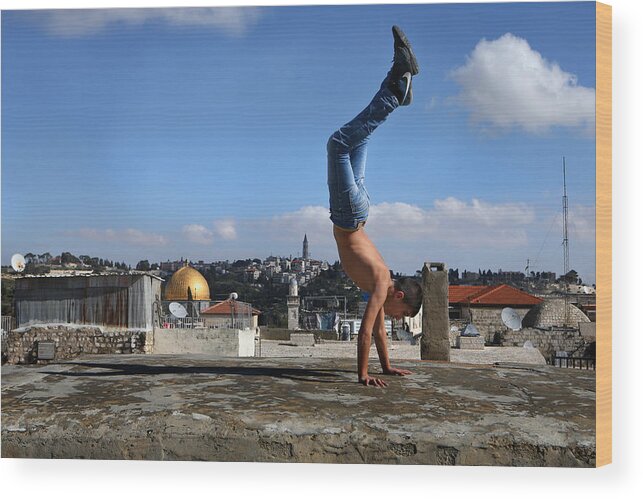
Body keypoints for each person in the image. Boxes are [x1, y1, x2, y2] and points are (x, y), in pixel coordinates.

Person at [327, 26, 423, 387]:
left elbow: (378, 333)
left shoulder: (382, 285)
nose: (397, 320)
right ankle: (396, 93)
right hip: (350, 217)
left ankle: (397, 79)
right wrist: (363, 375)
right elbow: (364, 332)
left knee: (357, 138)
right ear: (399, 296)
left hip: (359, 212)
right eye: (402, 314)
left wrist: (386, 367)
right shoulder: (382, 284)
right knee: (337, 144)